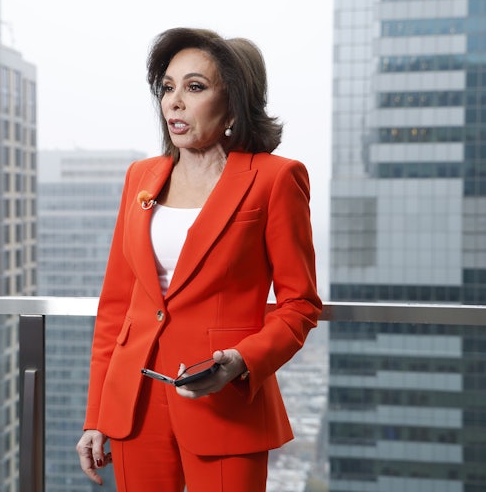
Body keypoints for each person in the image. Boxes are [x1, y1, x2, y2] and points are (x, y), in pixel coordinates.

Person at [76, 27, 322, 491]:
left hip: (223, 398)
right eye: (167, 87)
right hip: (135, 402)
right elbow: (116, 307)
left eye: (194, 87)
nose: (174, 102)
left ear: (232, 104)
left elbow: (300, 305)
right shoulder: (141, 177)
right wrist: (97, 414)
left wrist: (239, 362)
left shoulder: (275, 179)